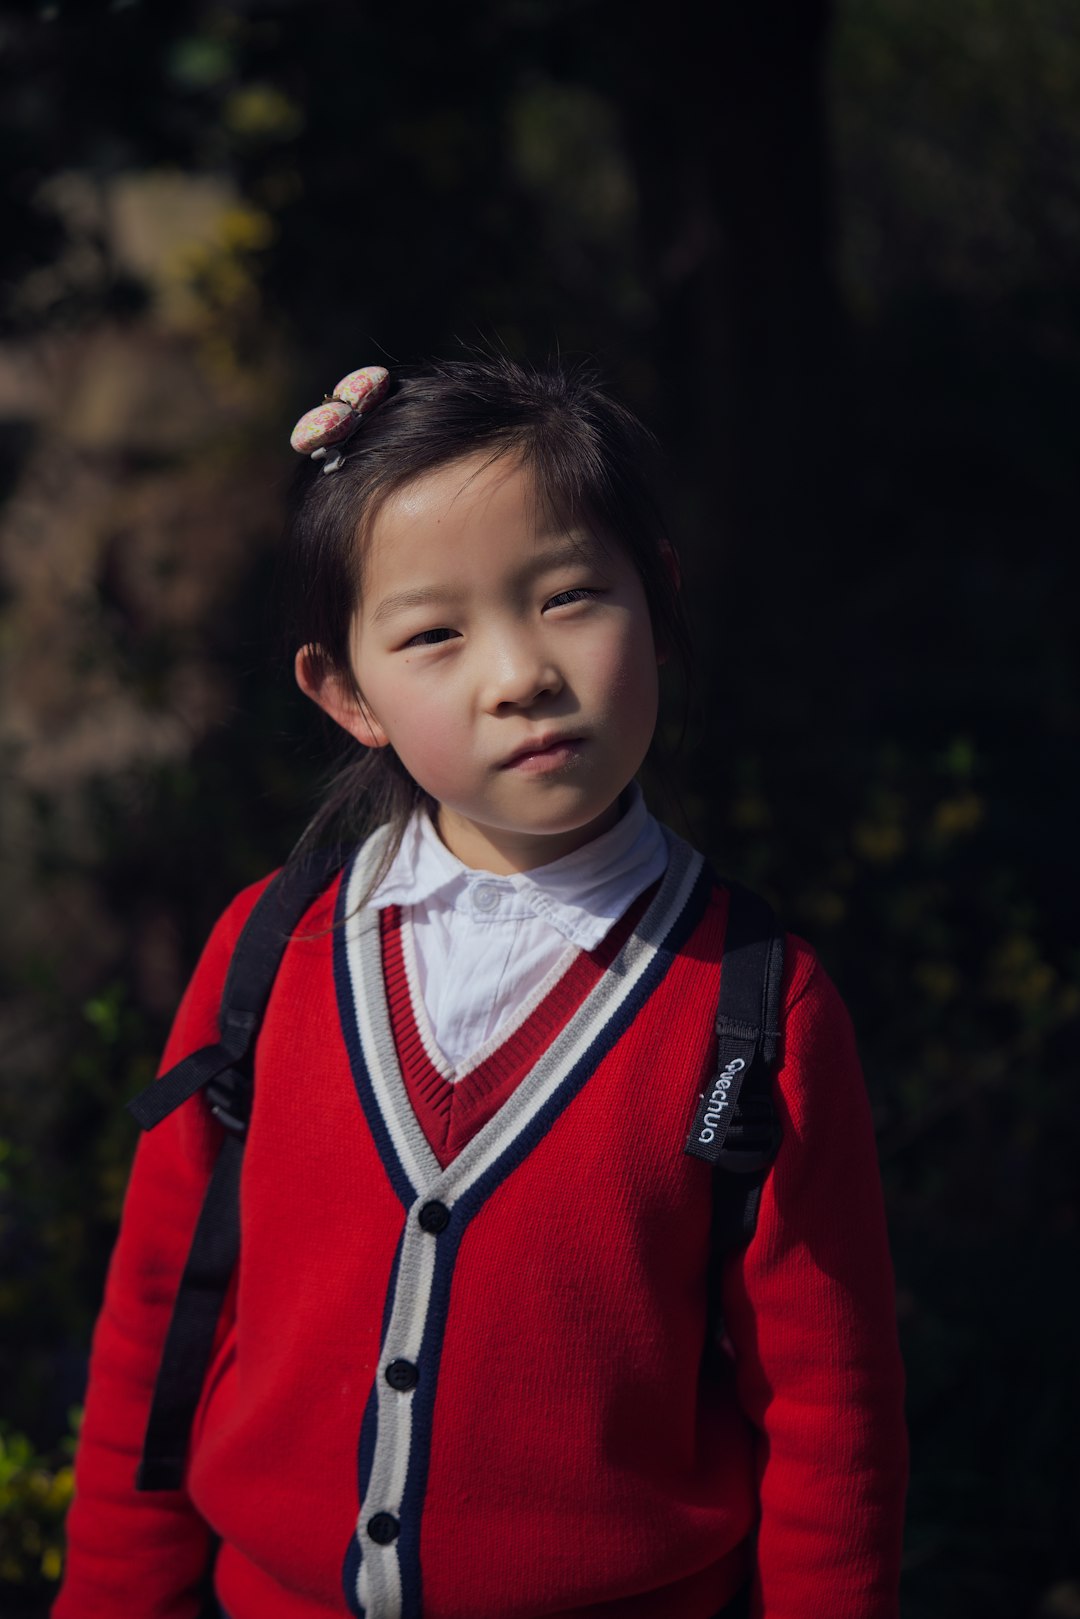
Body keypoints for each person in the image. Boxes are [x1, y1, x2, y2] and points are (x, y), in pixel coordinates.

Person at [54, 356, 908, 1619]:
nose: (518, 672)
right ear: (348, 693)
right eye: (434, 633)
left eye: (570, 597)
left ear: (658, 601)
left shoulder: (754, 1004)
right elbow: (158, 1314)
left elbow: (832, 1409)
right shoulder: (269, 953)